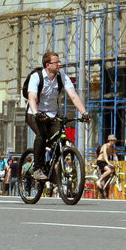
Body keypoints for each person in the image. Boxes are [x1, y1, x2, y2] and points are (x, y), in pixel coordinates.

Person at [25, 51, 89, 180]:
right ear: (48, 65)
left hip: (53, 115)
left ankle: (52, 167)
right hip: (35, 113)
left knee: (62, 140)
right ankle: (37, 168)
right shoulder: (37, 76)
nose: (59, 64)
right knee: (41, 136)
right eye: (56, 62)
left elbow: (74, 96)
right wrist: (36, 113)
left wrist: (84, 113)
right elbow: (32, 97)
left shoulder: (61, 76)